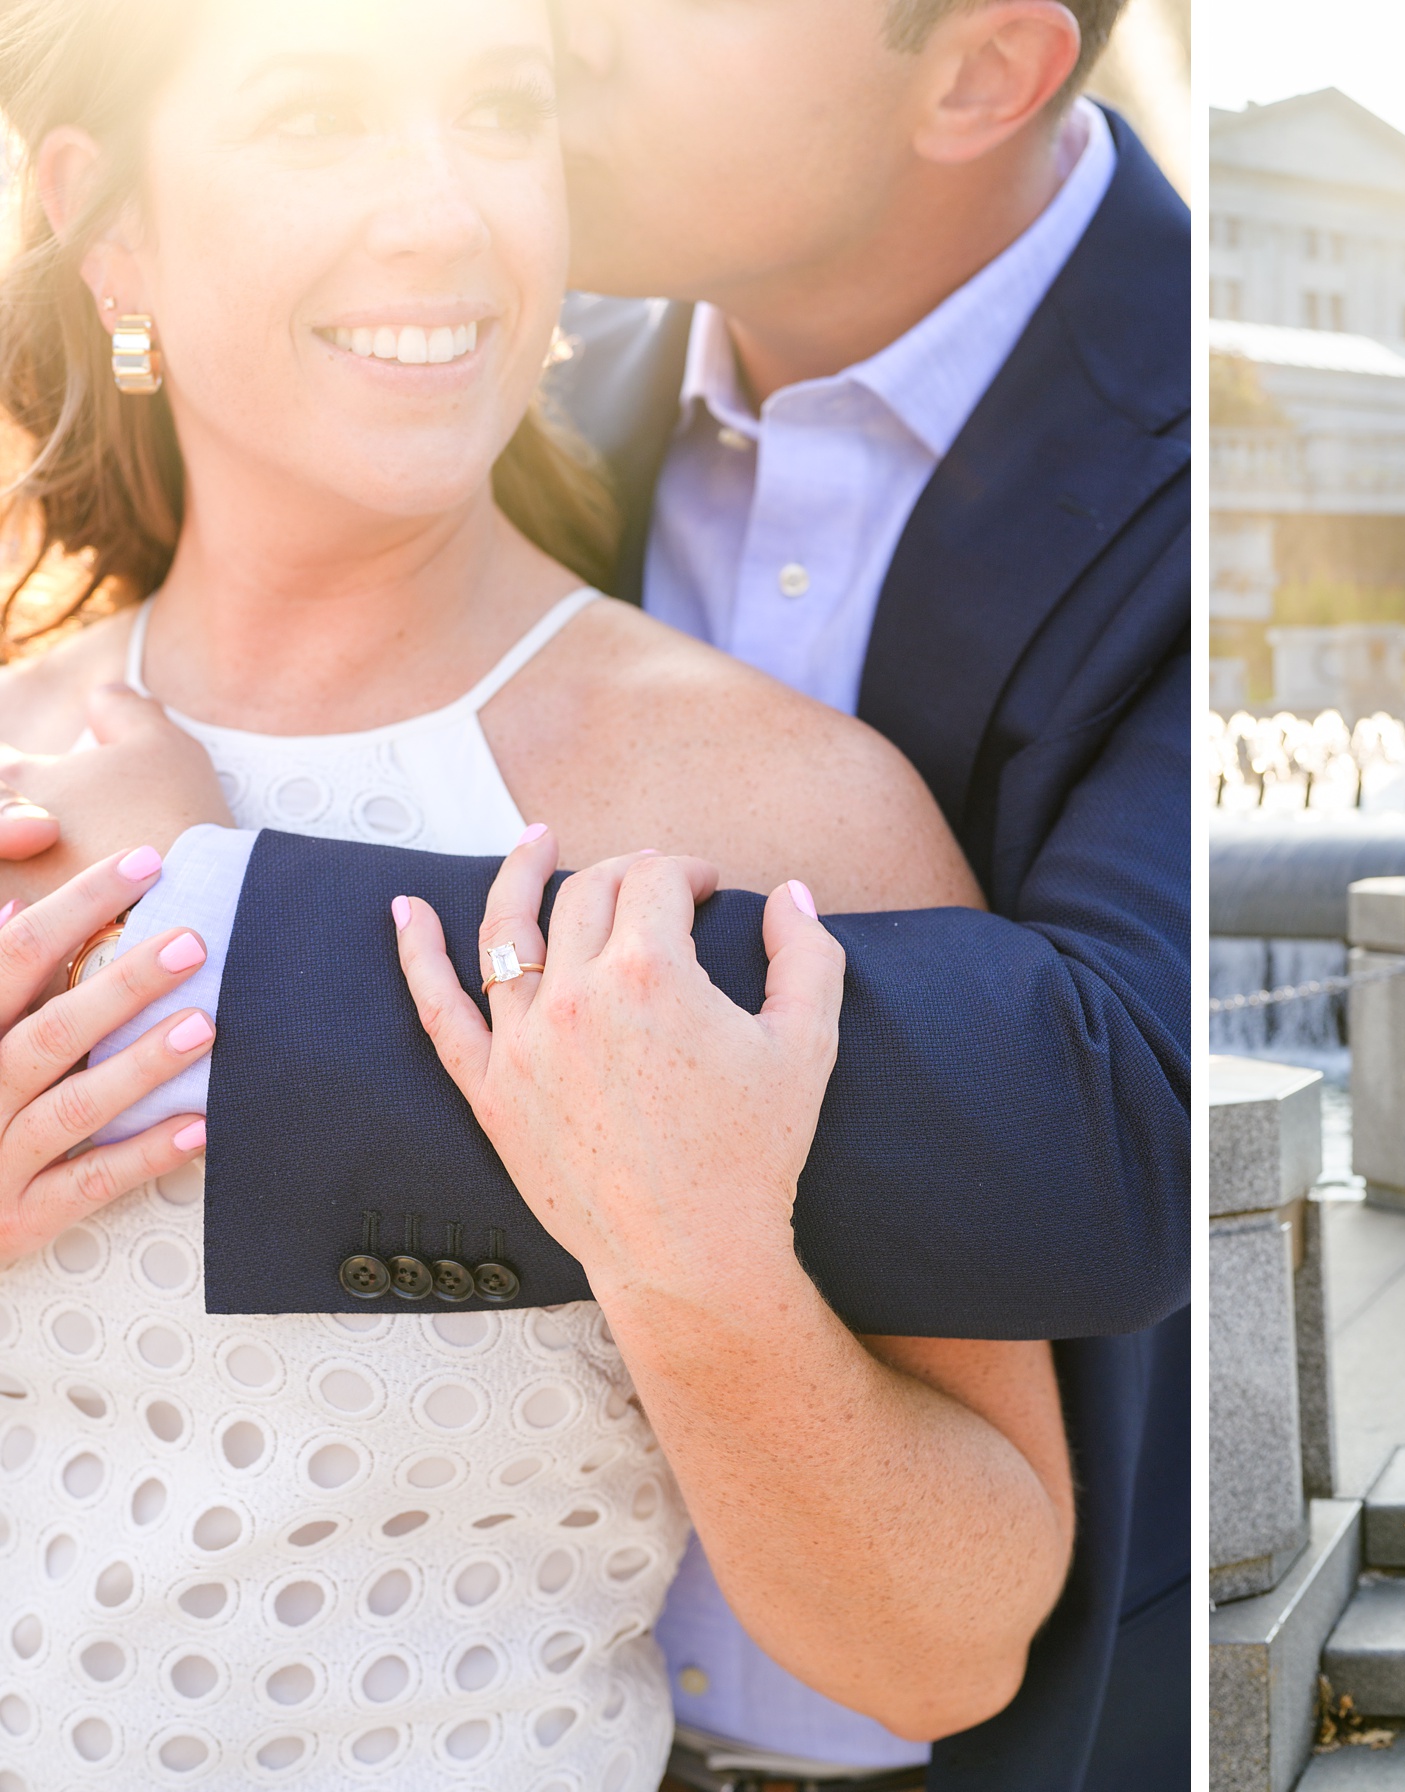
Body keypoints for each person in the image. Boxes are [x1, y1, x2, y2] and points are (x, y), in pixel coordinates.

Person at [0, 0, 1190, 1786]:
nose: (442, 212)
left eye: (501, 107)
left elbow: (950, 1651)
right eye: (315, 112)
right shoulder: (24, 739)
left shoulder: (781, 803)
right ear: (115, 224)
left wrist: (692, 1254)